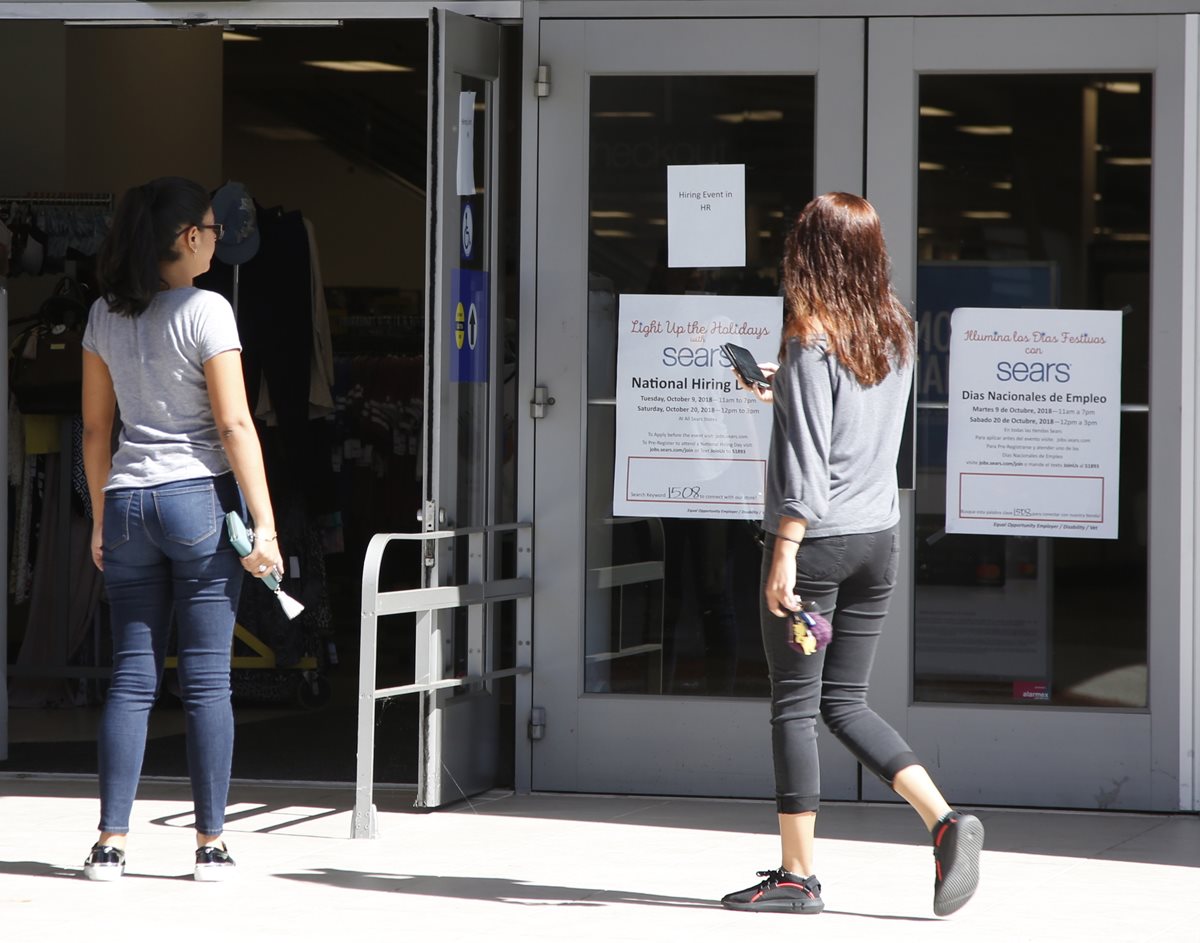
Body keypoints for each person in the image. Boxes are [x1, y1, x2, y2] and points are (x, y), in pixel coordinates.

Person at [721, 193, 983, 916]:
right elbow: (848, 422)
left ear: (809, 252)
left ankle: (798, 875)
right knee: (844, 702)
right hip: (878, 538)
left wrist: (784, 551)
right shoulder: (893, 326)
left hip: (821, 543)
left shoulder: (810, 334)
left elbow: (807, 460)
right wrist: (781, 389)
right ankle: (946, 821)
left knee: (795, 708)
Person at [80, 177, 283, 881]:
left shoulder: (105, 314)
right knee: (205, 682)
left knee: (132, 680)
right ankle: (209, 845)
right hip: (197, 500)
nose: (218, 237)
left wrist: (102, 519)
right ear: (188, 238)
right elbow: (233, 424)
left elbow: (96, 430)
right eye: (211, 227)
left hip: (130, 501)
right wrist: (266, 524)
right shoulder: (209, 310)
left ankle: (110, 842)